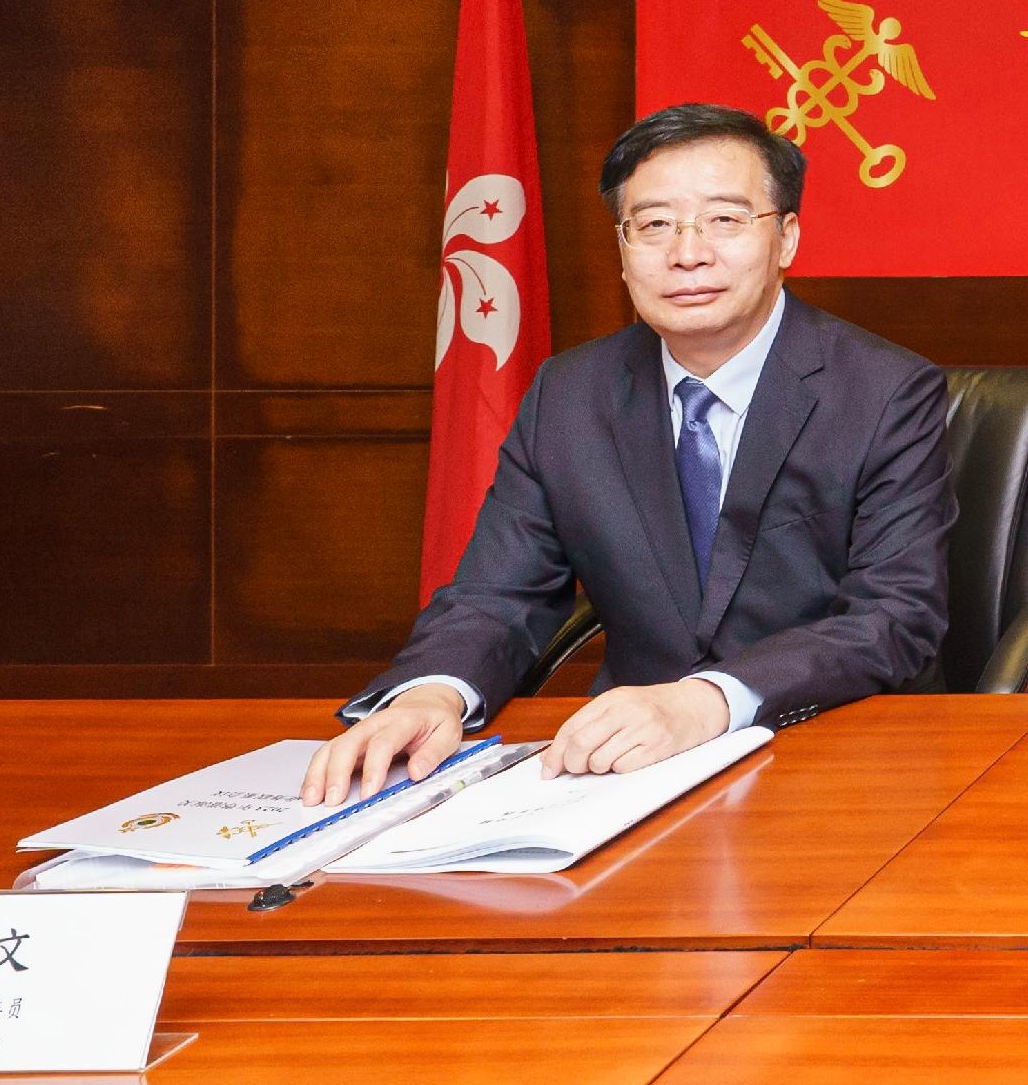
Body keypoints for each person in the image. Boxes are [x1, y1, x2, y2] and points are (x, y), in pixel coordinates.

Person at [304, 103, 953, 800]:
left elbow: (895, 613)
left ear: (786, 237)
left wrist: (707, 700)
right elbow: (497, 593)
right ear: (622, 246)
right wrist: (431, 694)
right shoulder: (570, 393)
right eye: (653, 225)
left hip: (836, 756)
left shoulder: (886, 391)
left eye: (726, 220)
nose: (688, 252)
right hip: (622, 770)